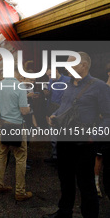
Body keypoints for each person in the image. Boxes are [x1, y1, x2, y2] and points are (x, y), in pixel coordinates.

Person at [43, 52, 110, 218]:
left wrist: (94, 137)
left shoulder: (99, 86)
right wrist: (55, 116)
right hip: (65, 140)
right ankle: (64, 212)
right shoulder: (70, 85)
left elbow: (108, 117)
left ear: (84, 66)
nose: (67, 67)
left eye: (70, 64)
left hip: (84, 143)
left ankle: (90, 215)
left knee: (85, 184)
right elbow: (65, 106)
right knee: (65, 180)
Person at [0, 66, 32, 201]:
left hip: (0, 124)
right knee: (20, 157)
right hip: (16, 125)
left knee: (1, 154)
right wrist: (29, 107)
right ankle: (20, 192)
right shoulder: (20, 87)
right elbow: (24, 111)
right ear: (16, 72)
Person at [44, 68, 70, 164]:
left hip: (64, 112)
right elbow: (50, 99)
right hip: (52, 111)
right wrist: (47, 113)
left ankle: (62, 159)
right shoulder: (51, 81)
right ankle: (55, 157)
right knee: (53, 136)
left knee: (63, 136)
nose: (49, 77)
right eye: (48, 75)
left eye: (51, 74)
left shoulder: (67, 81)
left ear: (56, 71)